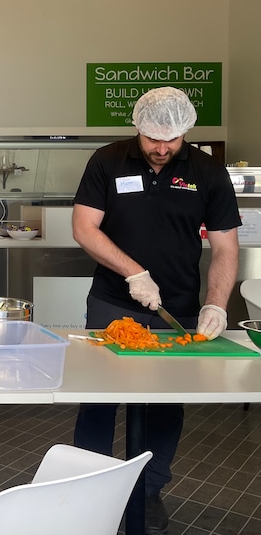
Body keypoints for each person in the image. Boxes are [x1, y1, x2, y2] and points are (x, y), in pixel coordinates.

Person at [71, 86, 240, 535]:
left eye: (171, 140)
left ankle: (147, 492)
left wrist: (216, 305)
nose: (161, 149)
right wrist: (133, 272)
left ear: (186, 132)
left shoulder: (207, 171)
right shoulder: (107, 161)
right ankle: (91, 489)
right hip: (111, 302)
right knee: (99, 399)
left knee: (165, 404)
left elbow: (225, 247)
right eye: (152, 139)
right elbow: (84, 228)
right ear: (137, 127)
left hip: (178, 309)